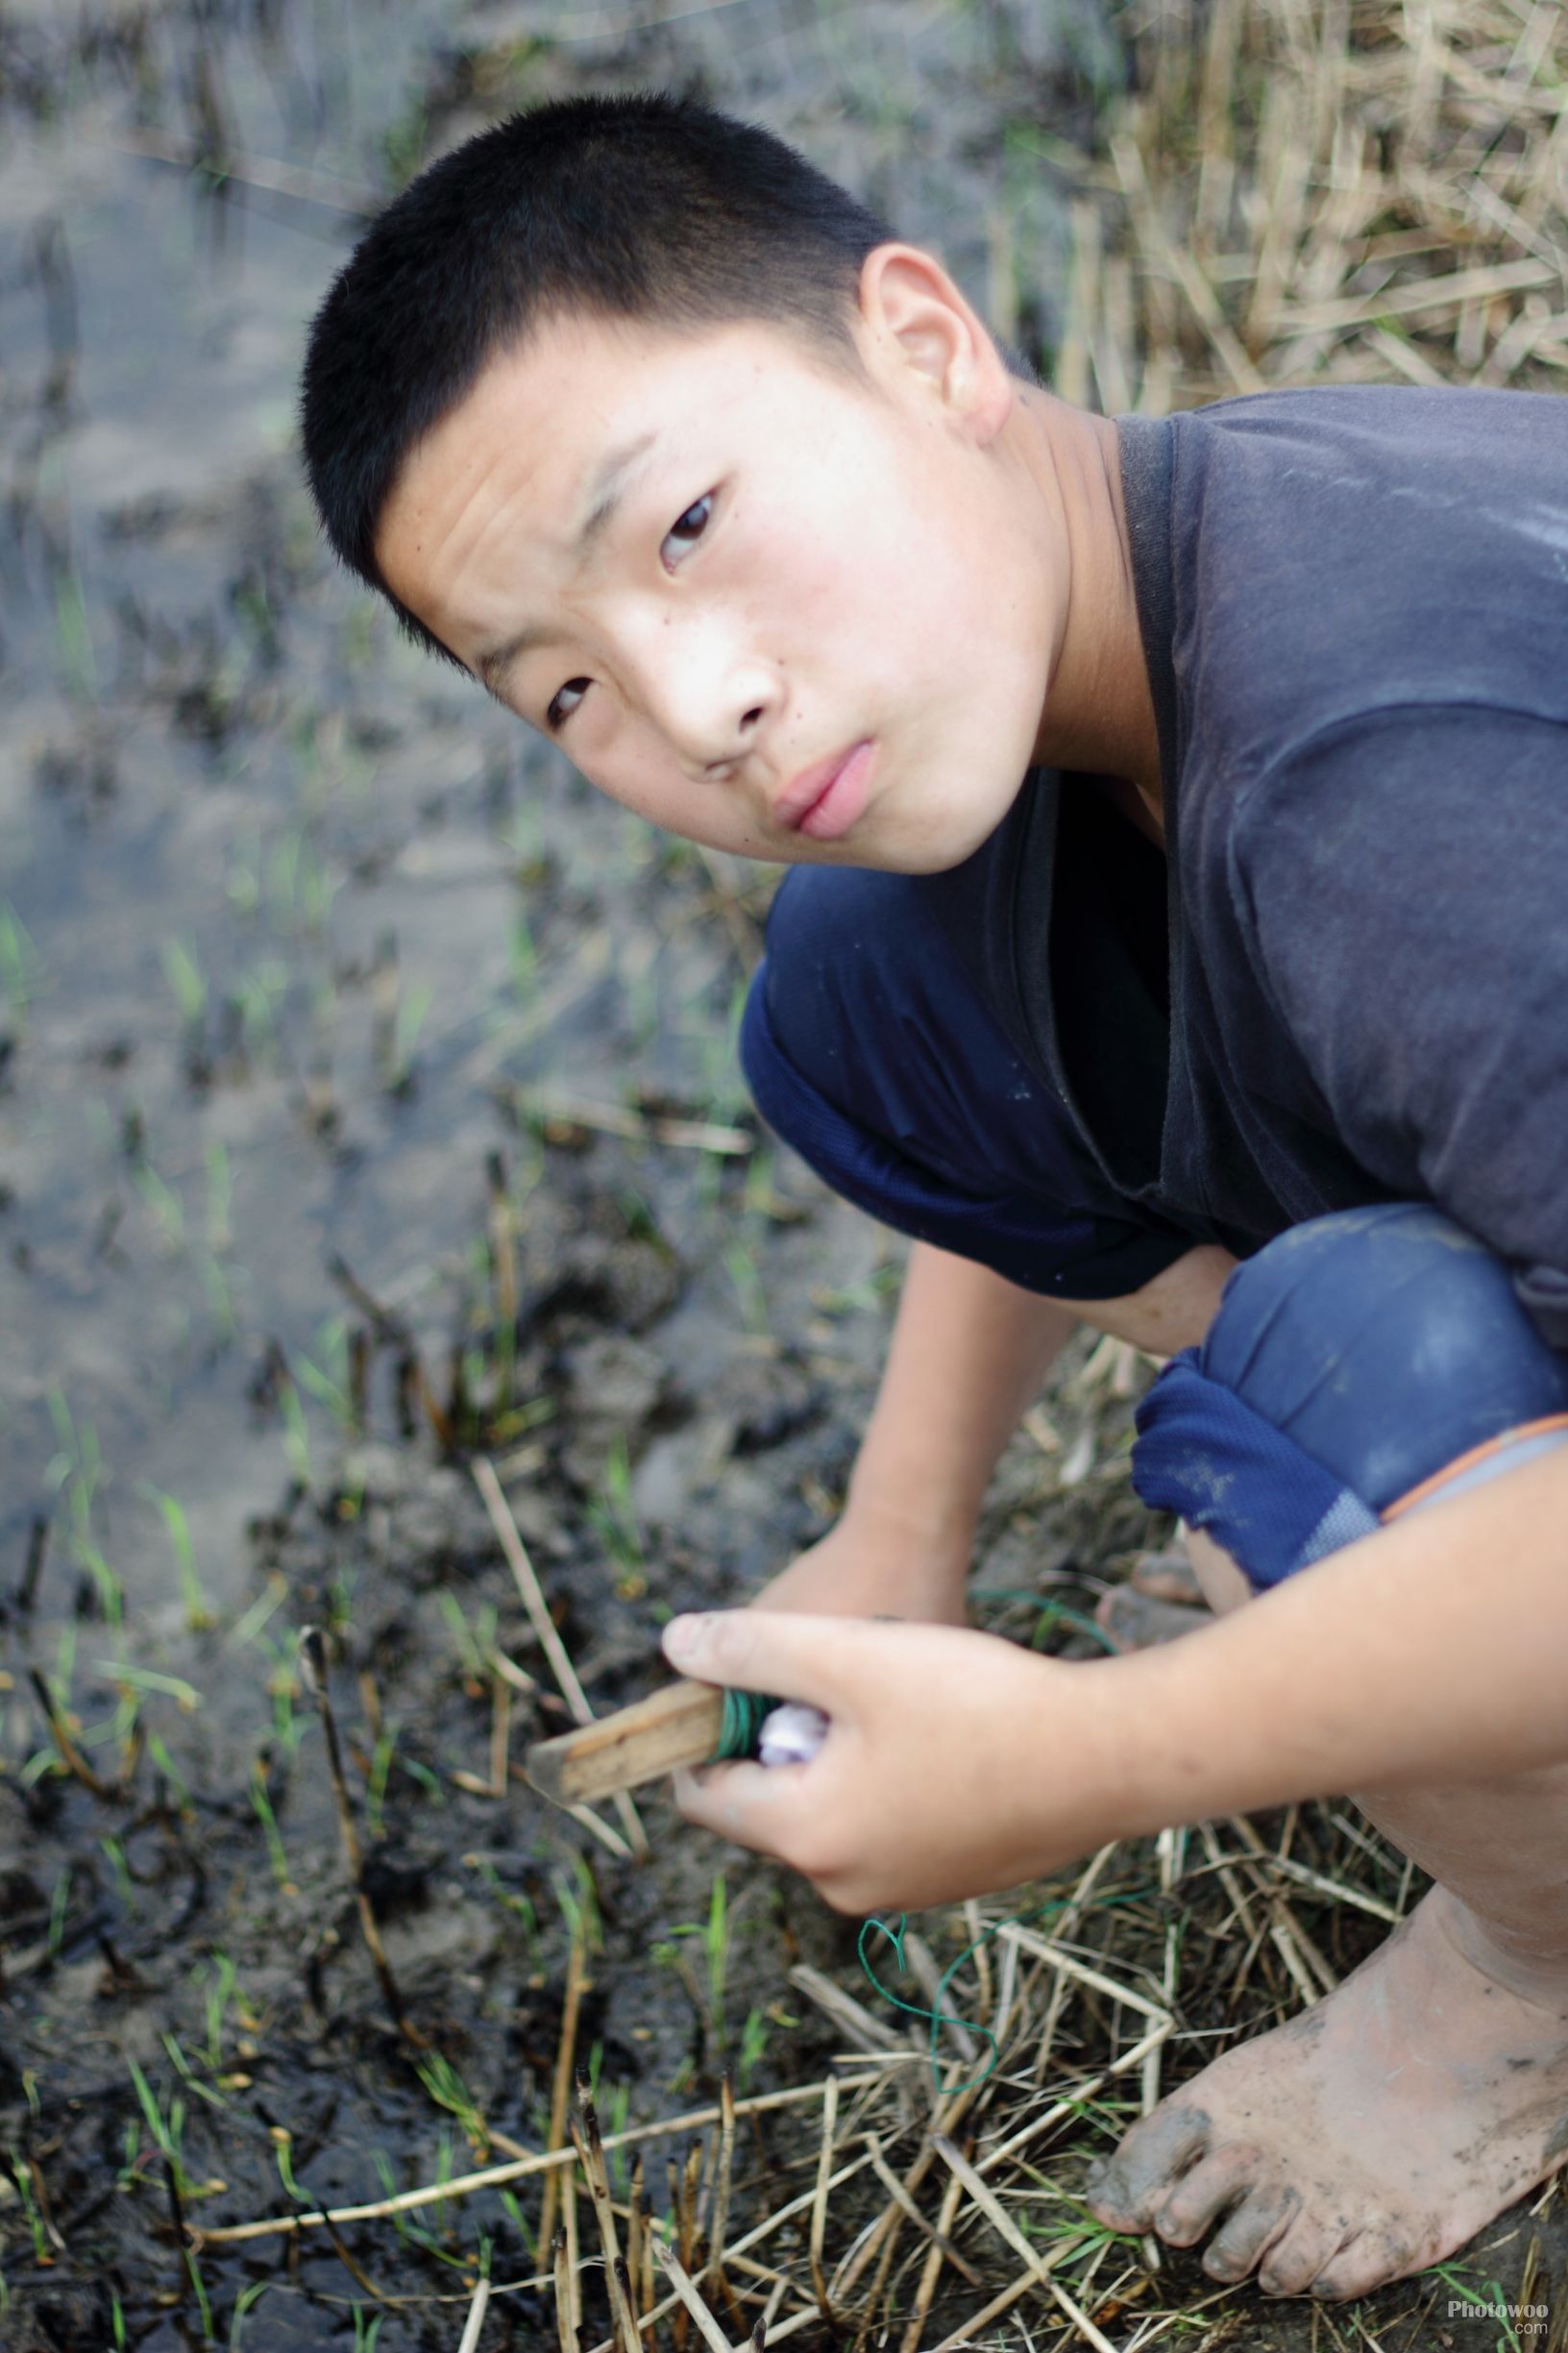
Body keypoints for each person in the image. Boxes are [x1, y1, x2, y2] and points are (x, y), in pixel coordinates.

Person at [298, 91, 1568, 2303]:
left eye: (690, 524)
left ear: (925, 343)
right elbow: (981, 1039)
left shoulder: (1374, 792)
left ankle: (1531, 1968)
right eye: (568, 686)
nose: (698, 703)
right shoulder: (1150, 570)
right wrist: (906, 1534)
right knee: (871, 992)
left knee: (1330, 1382)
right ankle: (1423, 1571)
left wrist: (1092, 1756)